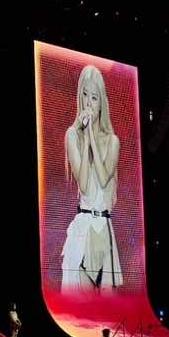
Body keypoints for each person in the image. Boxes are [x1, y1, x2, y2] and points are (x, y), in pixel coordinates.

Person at [61, 65, 123, 291]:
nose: (88, 103)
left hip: (104, 229)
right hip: (83, 230)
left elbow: (105, 177)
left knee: (110, 309)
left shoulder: (112, 141)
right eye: (84, 95)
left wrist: (92, 139)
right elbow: (85, 185)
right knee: (83, 311)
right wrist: (85, 137)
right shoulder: (72, 136)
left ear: (101, 103)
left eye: (94, 97)